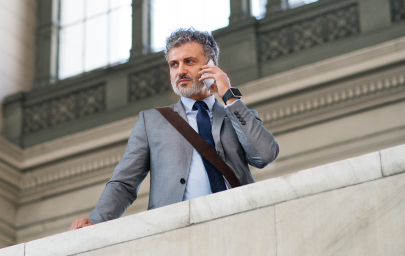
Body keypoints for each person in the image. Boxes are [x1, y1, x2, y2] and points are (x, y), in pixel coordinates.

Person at [70, 28, 279, 230]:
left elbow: (265, 155)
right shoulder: (151, 121)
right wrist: (96, 223)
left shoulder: (235, 114)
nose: (180, 71)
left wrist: (229, 96)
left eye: (189, 62)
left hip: (238, 222)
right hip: (174, 231)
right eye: (174, 64)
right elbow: (124, 182)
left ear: (210, 66)